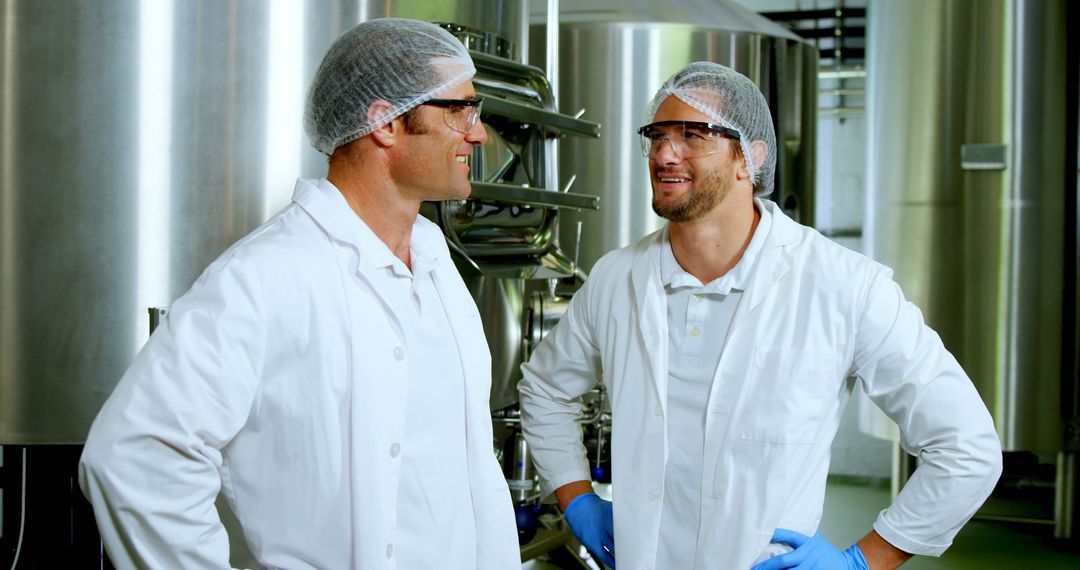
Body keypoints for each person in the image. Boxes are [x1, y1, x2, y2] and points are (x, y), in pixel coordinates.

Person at [517, 61, 1003, 570]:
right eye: (657, 135)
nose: (665, 153)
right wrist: (577, 499)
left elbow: (965, 445)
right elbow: (545, 389)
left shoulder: (843, 285)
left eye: (693, 134)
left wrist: (864, 561)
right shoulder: (617, 278)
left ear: (750, 157)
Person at [79, 18, 520, 569]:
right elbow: (132, 456)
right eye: (459, 110)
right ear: (384, 120)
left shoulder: (435, 262)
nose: (478, 133)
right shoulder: (268, 273)